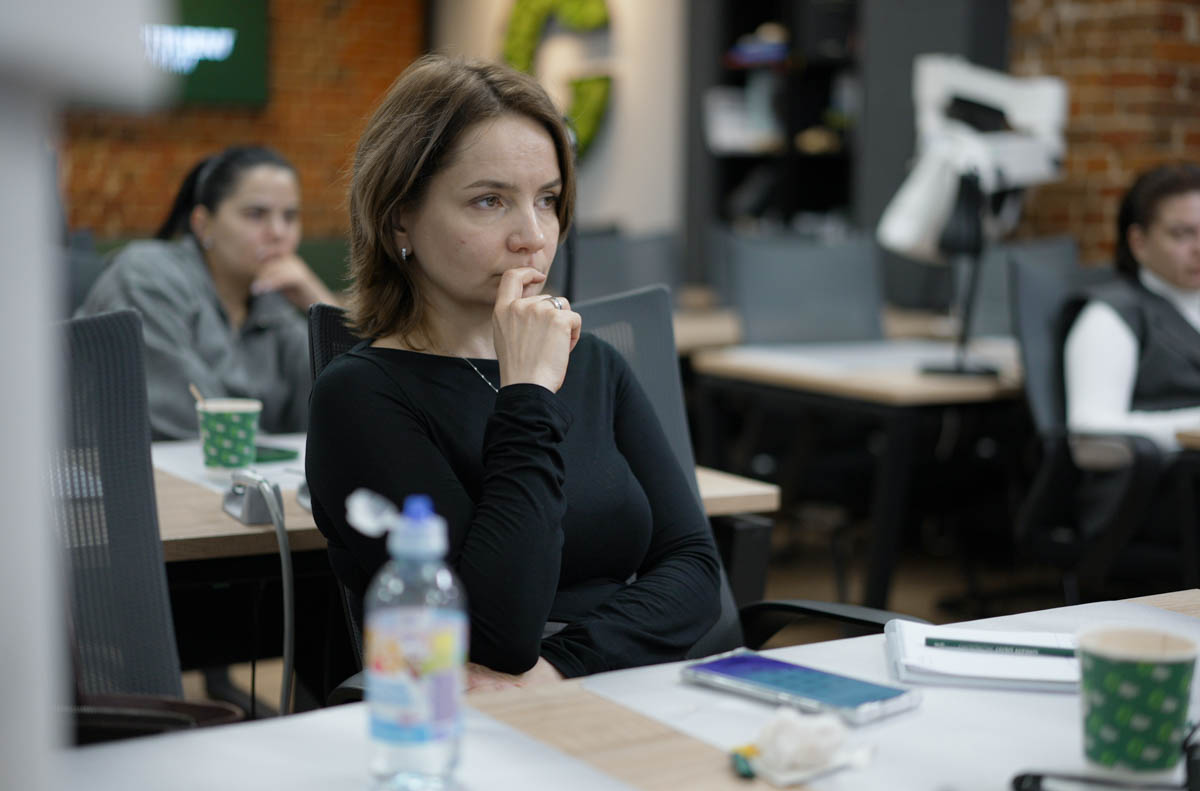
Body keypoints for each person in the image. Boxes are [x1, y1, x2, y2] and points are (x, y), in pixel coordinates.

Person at [305, 55, 721, 691]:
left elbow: (695, 569)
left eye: (547, 200)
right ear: (398, 218)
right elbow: (496, 631)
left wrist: (566, 664)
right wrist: (526, 392)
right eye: (489, 200)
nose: (533, 236)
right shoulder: (360, 395)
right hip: (470, 715)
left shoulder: (594, 362)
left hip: (611, 683)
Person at [77, 145, 338, 440]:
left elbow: (349, 406)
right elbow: (199, 420)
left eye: (290, 217)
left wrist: (319, 300)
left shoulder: (273, 302)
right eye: (256, 214)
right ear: (203, 225)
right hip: (120, 467)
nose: (278, 232)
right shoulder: (146, 276)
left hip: (235, 468)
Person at [1064, 163, 1200, 453]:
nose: (1198, 248)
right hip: (1170, 476)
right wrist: (1191, 425)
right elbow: (1090, 430)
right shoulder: (1111, 316)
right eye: (1182, 234)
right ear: (1139, 242)